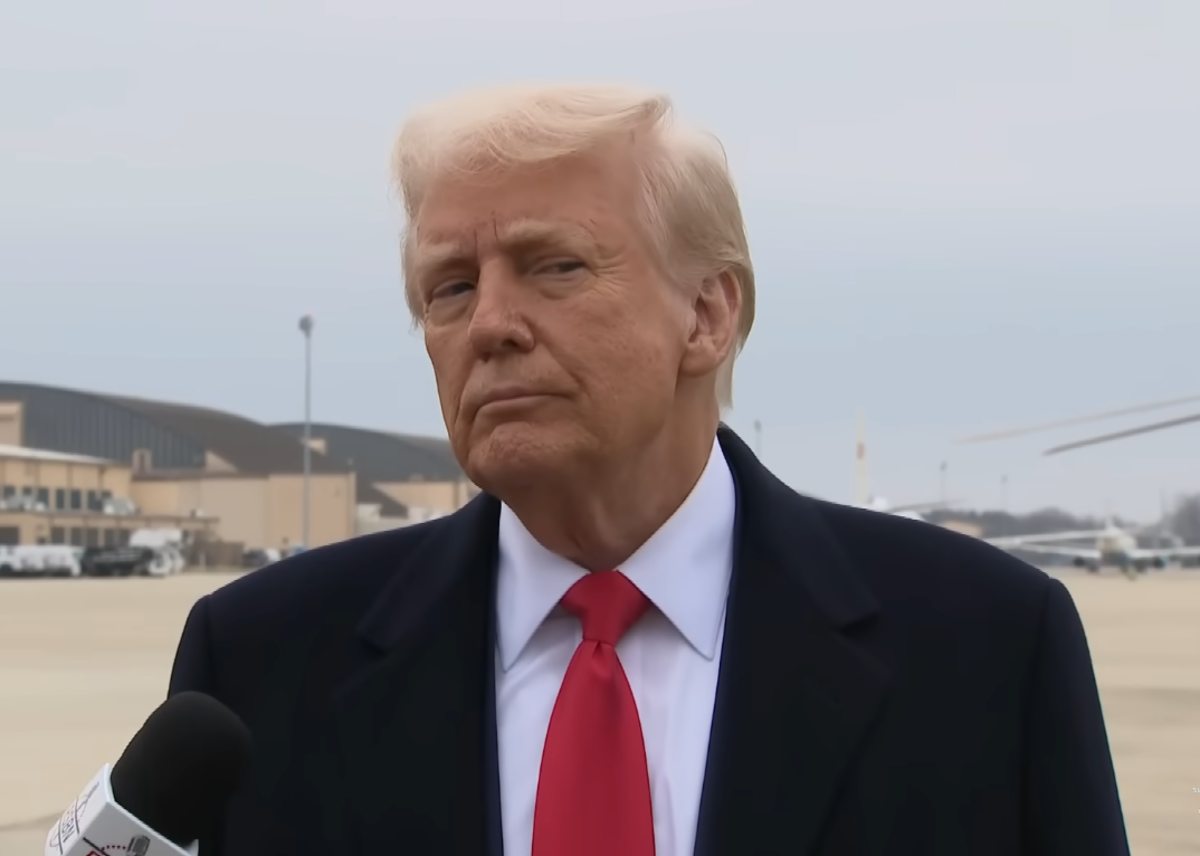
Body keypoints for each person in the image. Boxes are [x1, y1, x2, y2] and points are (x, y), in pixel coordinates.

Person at [168, 83, 1129, 856]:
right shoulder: (259, 662)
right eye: (450, 286)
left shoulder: (987, 648)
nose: (491, 325)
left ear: (706, 315)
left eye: (556, 267)